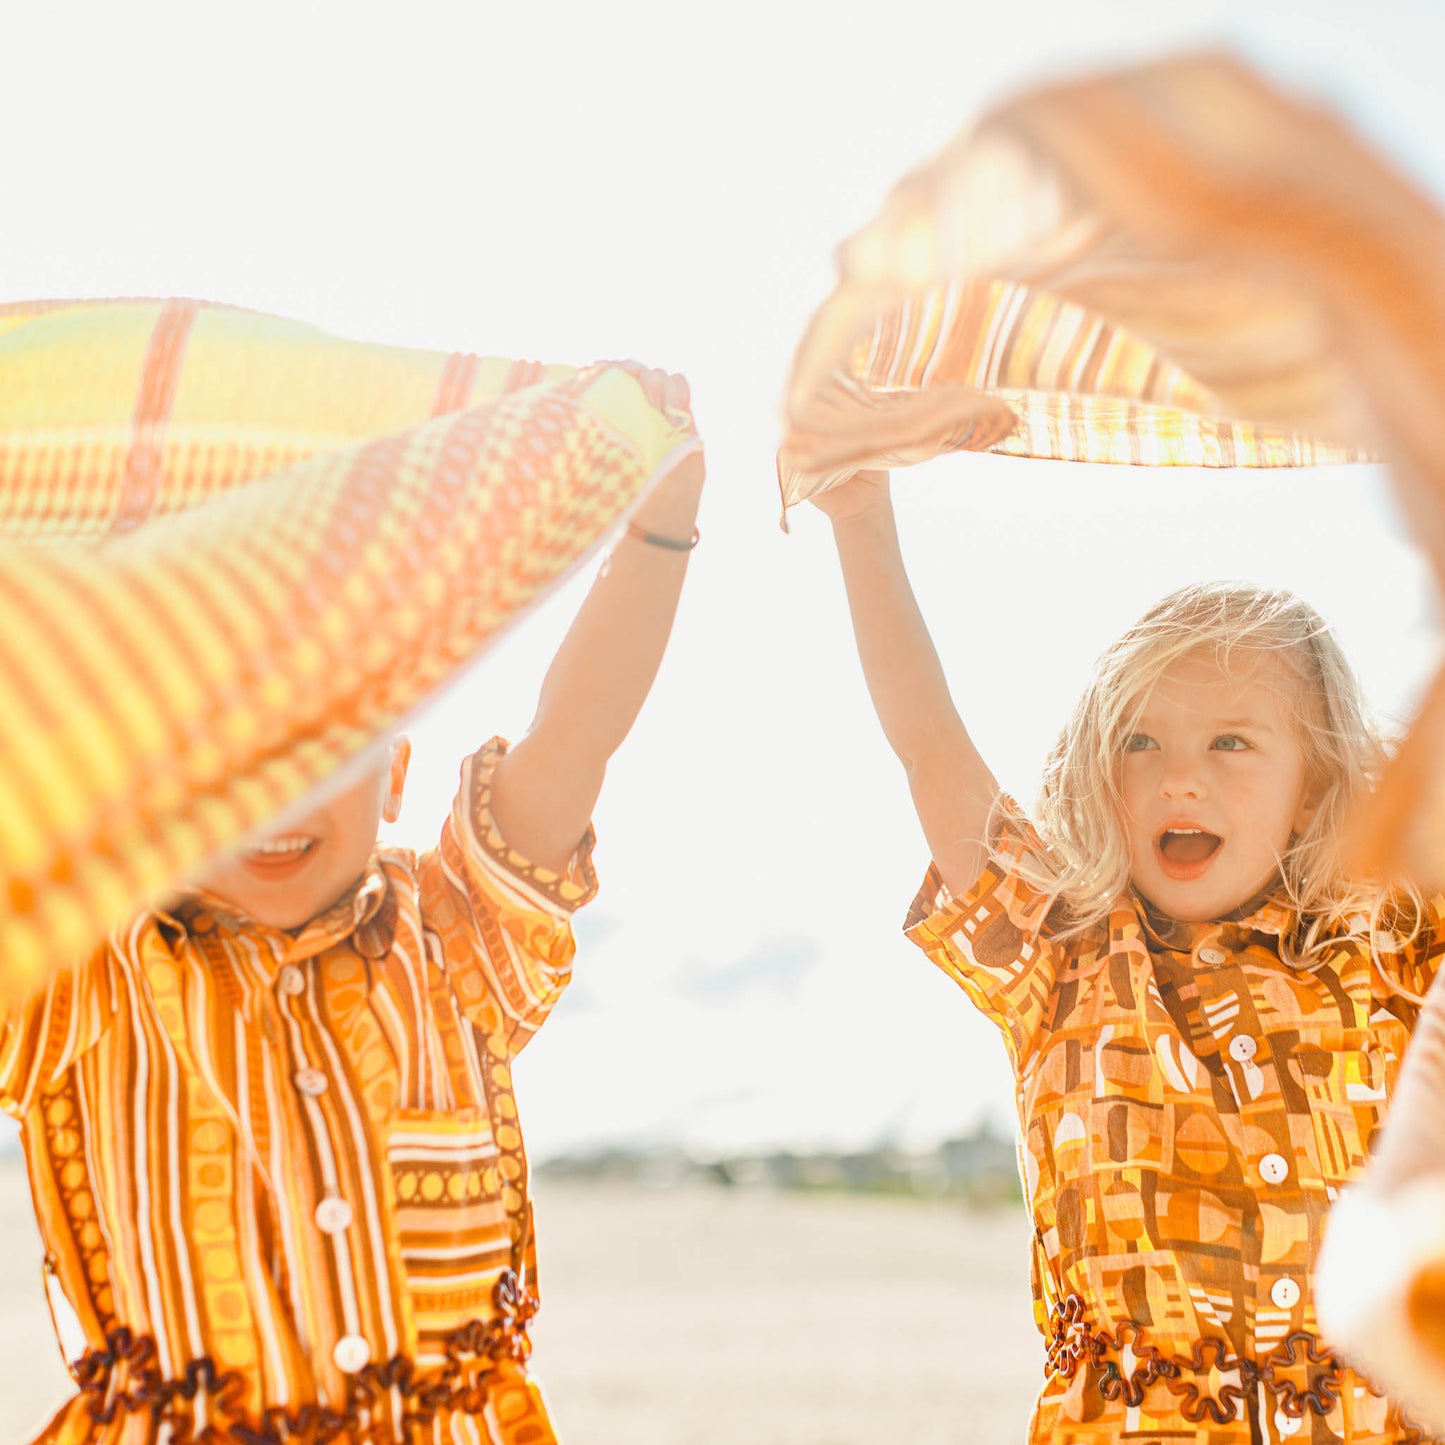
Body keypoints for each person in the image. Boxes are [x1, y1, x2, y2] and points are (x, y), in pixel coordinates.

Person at [6, 366, 703, 1445]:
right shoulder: (93, 956)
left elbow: (577, 731)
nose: (271, 798)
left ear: (394, 770)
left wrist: (657, 529)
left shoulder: (456, 930)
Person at [815, 466, 1444, 1444]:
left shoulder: (1389, 947)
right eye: (1139, 740)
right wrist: (858, 513)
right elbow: (928, 744)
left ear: (1313, 785)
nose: (1178, 775)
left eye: (1230, 741)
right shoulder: (1065, 956)